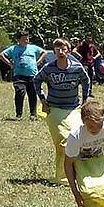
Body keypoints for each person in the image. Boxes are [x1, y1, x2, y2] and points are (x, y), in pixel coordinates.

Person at [34, 38, 90, 185]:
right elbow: (36, 80)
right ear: (54, 51)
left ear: (69, 51)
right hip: (54, 109)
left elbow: (86, 80)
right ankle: (62, 177)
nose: (60, 52)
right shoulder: (49, 68)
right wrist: (42, 100)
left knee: (76, 140)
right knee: (63, 143)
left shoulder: (77, 68)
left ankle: (77, 173)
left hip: (73, 109)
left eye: (63, 49)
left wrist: (85, 100)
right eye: (57, 49)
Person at [0, 30, 47, 120]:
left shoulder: (33, 48)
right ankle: (18, 115)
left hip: (32, 75)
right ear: (19, 39)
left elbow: (44, 52)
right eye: (24, 39)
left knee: (32, 94)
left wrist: (38, 61)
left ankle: (33, 115)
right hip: (19, 75)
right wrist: (10, 64)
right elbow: (1, 55)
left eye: (27, 38)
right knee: (20, 92)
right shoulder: (13, 48)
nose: (26, 40)